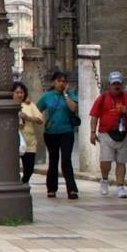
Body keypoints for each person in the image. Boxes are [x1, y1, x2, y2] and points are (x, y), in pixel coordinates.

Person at [91, 71, 127, 198]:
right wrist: (92, 132)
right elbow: (94, 116)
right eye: (114, 84)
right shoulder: (102, 98)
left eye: (118, 83)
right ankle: (104, 180)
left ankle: (120, 186)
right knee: (106, 160)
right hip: (106, 133)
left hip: (124, 133)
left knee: (121, 161)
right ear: (109, 85)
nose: (116, 86)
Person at [37, 70, 80, 199]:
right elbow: (38, 110)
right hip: (51, 133)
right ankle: (51, 188)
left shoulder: (70, 94)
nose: (61, 83)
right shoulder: (47, 96)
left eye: (63, 81)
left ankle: (72, 189)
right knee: (53, 160)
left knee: (66, 160)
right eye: (59, 81)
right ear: (53, 82)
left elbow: (73, 108)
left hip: (66, 131)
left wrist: (66, 94)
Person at [15, 82, 42, 184]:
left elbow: (40, 119)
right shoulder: (9, 105)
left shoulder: (29, 105)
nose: (19, 95)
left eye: (21, 92)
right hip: (14, 143)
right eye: (17, 92)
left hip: (29, 143)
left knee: (29, 169)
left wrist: (28, 117)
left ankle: (23, 183)